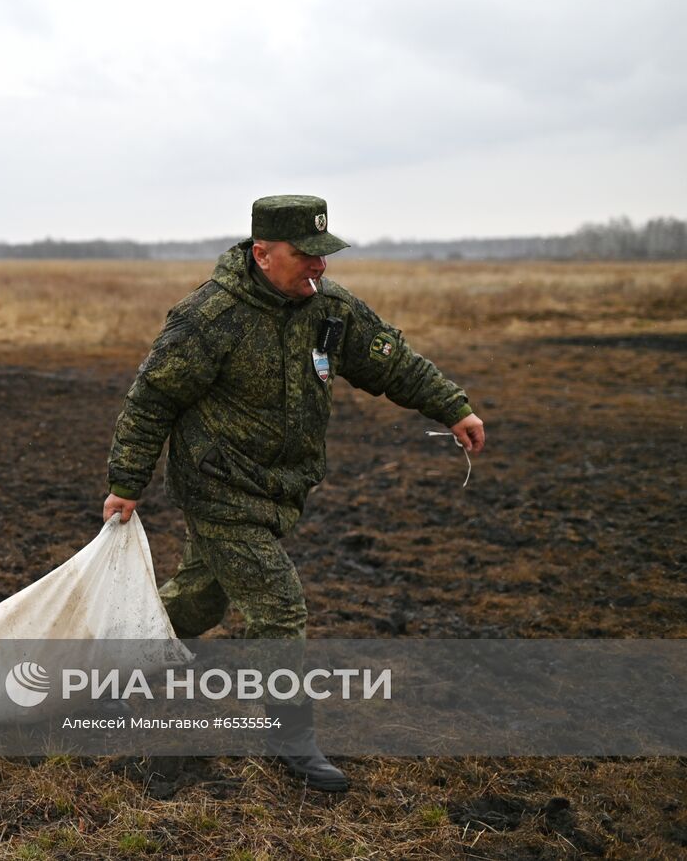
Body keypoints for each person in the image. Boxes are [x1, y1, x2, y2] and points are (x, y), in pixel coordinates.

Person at [103, 195, 485, 792]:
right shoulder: (209, 318)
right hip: (218, 487)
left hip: (279, 491)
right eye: (305, 254)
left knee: (202, 602)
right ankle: (290, 739)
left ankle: (103, 655)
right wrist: (127, 483)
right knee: (278, 607)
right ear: (262, 253)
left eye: (324, 254)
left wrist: (452, 407)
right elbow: (152, 399)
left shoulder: (330, 309)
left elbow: (391, 362)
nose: (320, 266)